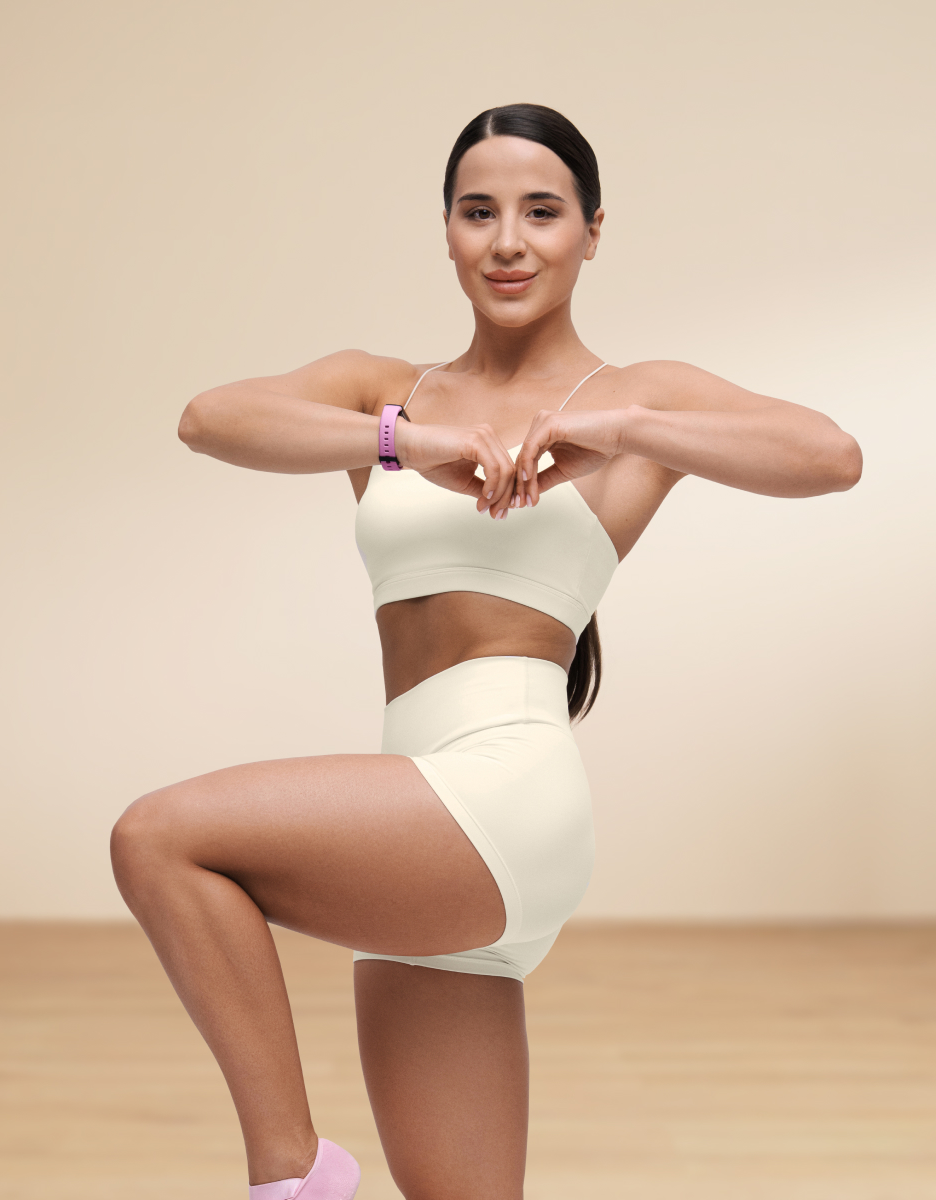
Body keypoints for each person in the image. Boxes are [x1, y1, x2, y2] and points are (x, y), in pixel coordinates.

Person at [111, 103, 862, 1200]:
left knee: (161, 837)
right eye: (479, 212)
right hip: (418, 811)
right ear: (449, 232)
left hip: (504, 794)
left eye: (542, 212)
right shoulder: (391, 393)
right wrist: (408, 443)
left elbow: (829, 456)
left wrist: (623, 429)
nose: (508, 240)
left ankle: (293, 1174)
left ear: (593, 232)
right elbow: (208, 418)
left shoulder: (631, 399)